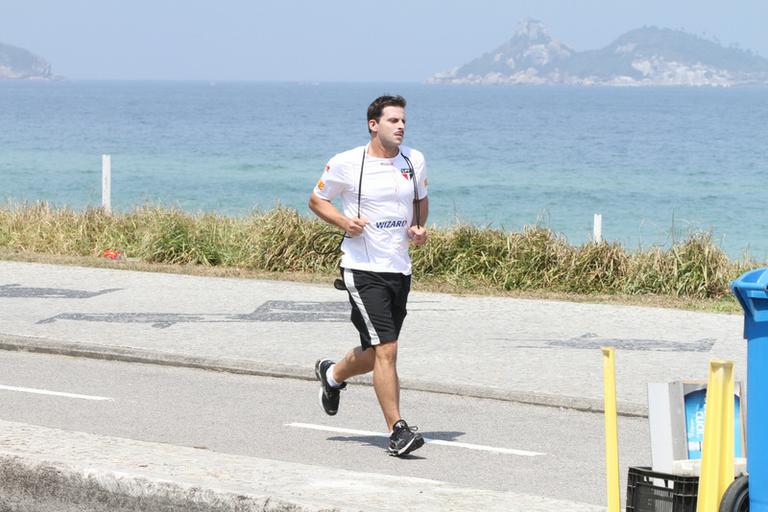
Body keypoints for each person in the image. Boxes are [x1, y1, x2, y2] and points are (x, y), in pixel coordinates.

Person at [308, 95, 429, 457]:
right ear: (373, 125)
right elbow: (317, 200)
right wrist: (344, 221)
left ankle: (332, 376)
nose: (401, 126)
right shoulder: (347, 163)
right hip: (362, 270)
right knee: (388, 350)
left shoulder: (415, 160)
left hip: (399, 268)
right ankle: (397, 431)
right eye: (393, 120)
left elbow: (420, 199)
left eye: (403, 120)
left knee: (376, 352)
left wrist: (420, 227)